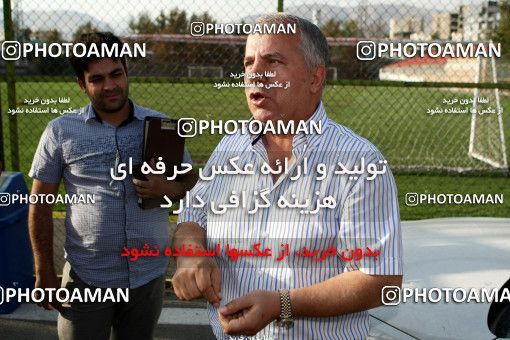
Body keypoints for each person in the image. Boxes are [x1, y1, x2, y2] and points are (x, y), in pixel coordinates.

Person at [172, 13, 402, 339]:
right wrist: (192, 255)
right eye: (249, 62)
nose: (256, 74)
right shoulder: (230, 146)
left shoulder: (361, 164)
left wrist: (282, 304)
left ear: (314, 78)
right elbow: (191, 218)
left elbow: (381, 282)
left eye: (273, 61)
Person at [28, 32, 197, 340]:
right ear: (82, 84)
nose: (109, 86)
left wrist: (167, 189)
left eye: (116, 74)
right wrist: (43, 271)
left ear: (126, 71)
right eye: (97, 79)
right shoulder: (60, 131)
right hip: (86, 279)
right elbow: (39, 203)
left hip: (148, 277)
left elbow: (189, 181)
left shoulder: (161, 126)